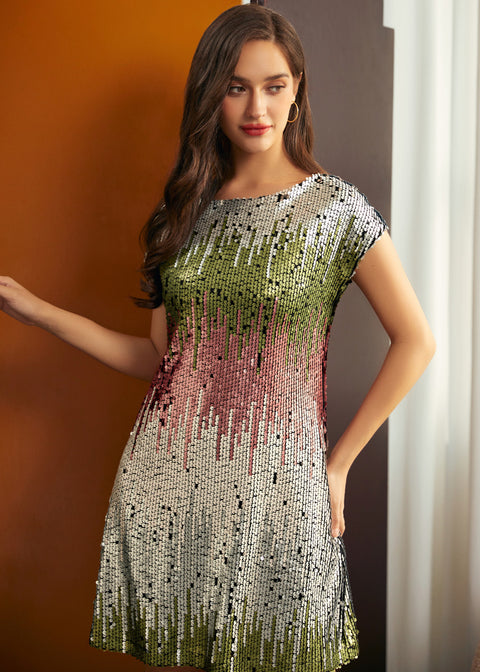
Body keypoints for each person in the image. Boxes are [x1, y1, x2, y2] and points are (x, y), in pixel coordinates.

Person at [0, 2, 436, 671]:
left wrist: (338, 465)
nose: (257, 107)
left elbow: (416, 341)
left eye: (274, 85)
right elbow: (159, 358)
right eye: (236, 87)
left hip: (280, 491)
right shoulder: (183, 213)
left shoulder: (337, 210)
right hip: (173, 480)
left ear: (297, 90)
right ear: (212, 93)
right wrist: (38, 313)